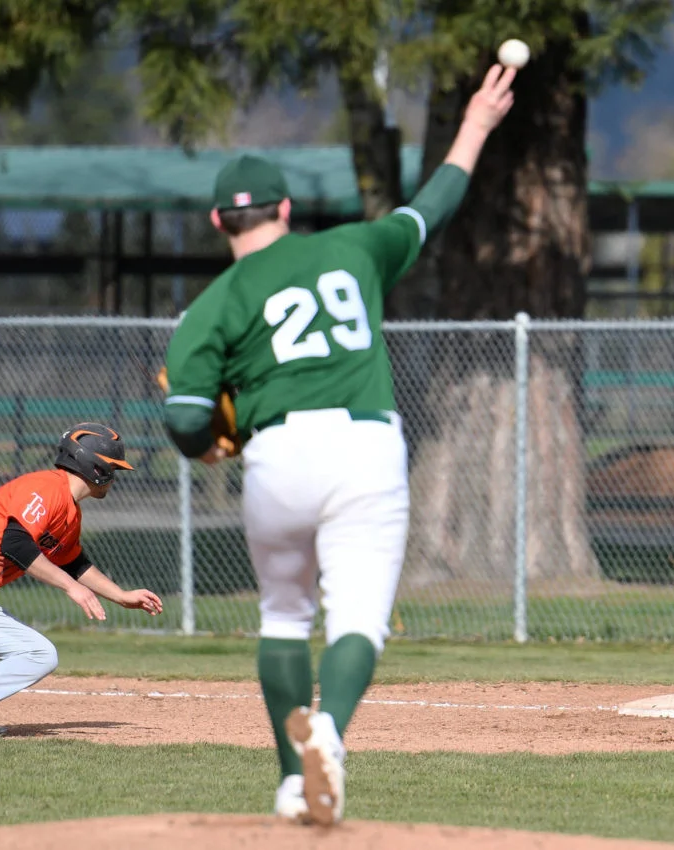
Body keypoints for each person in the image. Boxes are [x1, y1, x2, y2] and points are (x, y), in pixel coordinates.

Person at [161, 64, 517, 825]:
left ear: (220, 221)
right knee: (356, 617)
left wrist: (211, 443)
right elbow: (432, 207)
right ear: (287, 209)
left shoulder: (213, 305)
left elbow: (187, 422)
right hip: (365, 448)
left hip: (277, 456)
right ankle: (330, 731)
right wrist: (478, 125)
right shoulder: (357, 247)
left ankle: (295, 781)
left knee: (284, 617)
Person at [0, 423, 164, 736]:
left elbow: (74, 562)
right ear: (96, 466)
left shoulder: (70, 512)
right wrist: (72, 589)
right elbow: (16, 543)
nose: (114, 477)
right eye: (113, 467)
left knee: (39, 654)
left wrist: (120, 595)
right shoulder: (48, 487)